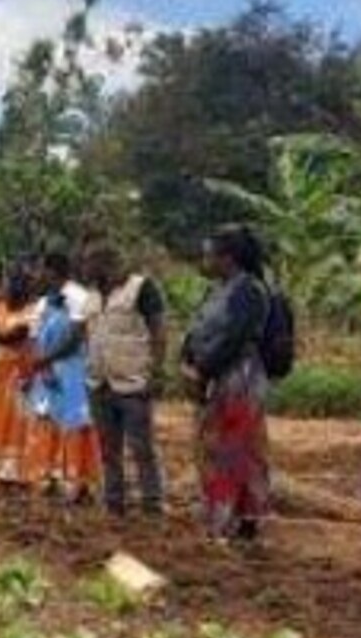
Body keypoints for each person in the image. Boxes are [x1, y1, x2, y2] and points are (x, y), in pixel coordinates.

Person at [182, 225, 272, 542]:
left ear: (228, 258)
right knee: (215, 446)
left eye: (209, 255)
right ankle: (225, 514)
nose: (204, 261)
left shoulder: (249, 291)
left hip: (238, 379)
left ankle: (236, 518)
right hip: (215, 376)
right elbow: (196, 331)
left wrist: (203, 370)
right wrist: (188, 363)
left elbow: (234, 338)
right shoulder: (218, 289)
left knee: (235, 449)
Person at [86, 244, 168, 517]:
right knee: (109, 449)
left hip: (133, 381)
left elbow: (159, 330)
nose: (85, 268)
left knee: (142, 447)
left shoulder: (142, 288)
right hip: (100, 382)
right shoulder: (93, 295)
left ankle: (152, 504)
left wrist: (155, 371)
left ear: (104, 263)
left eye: (90, 263)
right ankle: (114, 503)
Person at [24, 251, 101, 502]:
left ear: (53, 271)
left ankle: (79, 483)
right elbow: (34, 338)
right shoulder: (43, 303)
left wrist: (45, 361)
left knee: (76, 424)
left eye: (41, 269)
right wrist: (42, 367)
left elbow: (76, 336)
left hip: (73, 369)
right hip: (47, 372)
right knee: (49, 422)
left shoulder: (79, 297)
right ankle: (51, 477)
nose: (37, 275)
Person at [0, 261, 40, 484]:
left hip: (22, 369)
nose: (13, 286)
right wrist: (5, 334)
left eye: (20, 282)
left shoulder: (33, 310)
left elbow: (16, 336)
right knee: (0, 416)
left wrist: (4, 334)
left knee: (21, 418)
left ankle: (23, 467)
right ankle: (6, 465)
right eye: (11, 281)